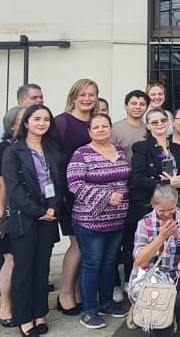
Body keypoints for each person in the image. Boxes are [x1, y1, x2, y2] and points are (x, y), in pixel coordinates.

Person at [3, 104, 66, 337]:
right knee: (24, 269)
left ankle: (39, 312)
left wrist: (52, 208)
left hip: (48, 217)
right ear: (26, 123)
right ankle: (24, 317)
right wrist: (36, 210)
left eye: (46, 120)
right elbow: (14, 188)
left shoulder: (51, 150)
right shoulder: (14, 151)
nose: (42, 123)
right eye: (37, 119)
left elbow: (58, 182)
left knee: (42, 269)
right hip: (26, 217)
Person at [67, 114, 130, 329]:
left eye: (105, 126)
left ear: (111, 129)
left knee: (109, 263)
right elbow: (74, 183)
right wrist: (105, 197)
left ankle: (107, 303)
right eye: (96, 127)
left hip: (117, 219)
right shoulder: (81, 154)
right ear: (89, 131)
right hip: (90, 221)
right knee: (92, 264)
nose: (101, 129)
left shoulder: (119, 151)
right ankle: (89, 310)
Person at [124, 107, 180, 306]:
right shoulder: (141, 147)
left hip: (173, 206)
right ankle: (138, 295)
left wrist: (179, 182)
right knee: (144, 251)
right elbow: (137, 179)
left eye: (163, 120)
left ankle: (174, 288)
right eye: (155, 122)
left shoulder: (176, 147)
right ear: (148, 126)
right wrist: (165, 184)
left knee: (172, 248)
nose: (160, 125)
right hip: (148, 207)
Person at [130, 185, 180, 337]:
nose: (167, 214)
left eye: (171, 209)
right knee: (157, 309)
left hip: (174, 277)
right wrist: (161, 238)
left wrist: (179, 235)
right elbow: (139, 260)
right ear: (153, 204)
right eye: (161, 211)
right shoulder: (145, 223)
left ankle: (153, 315)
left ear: (176, 203)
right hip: (148, 276)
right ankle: (156, 318)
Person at [54, 78, 100, 315]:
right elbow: (53, 159)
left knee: (88, 245)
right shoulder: (62, 122)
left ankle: (79, 292)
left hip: (92, 193)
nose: (87, 99)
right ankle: (65, 294)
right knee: (77, 244)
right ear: (73, 96)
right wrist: (60, 193)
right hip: (69, 193)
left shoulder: (95, 123)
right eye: (83, 94)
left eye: (91, 95)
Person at [0, 106, 24, 328]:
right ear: (12, 123)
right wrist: (0, 216)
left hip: (30, 211)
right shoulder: (3, 148)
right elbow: (0, 184)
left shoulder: (34, 146)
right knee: (10, 260)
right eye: (23, 119)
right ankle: (6, 306)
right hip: (9, 212)